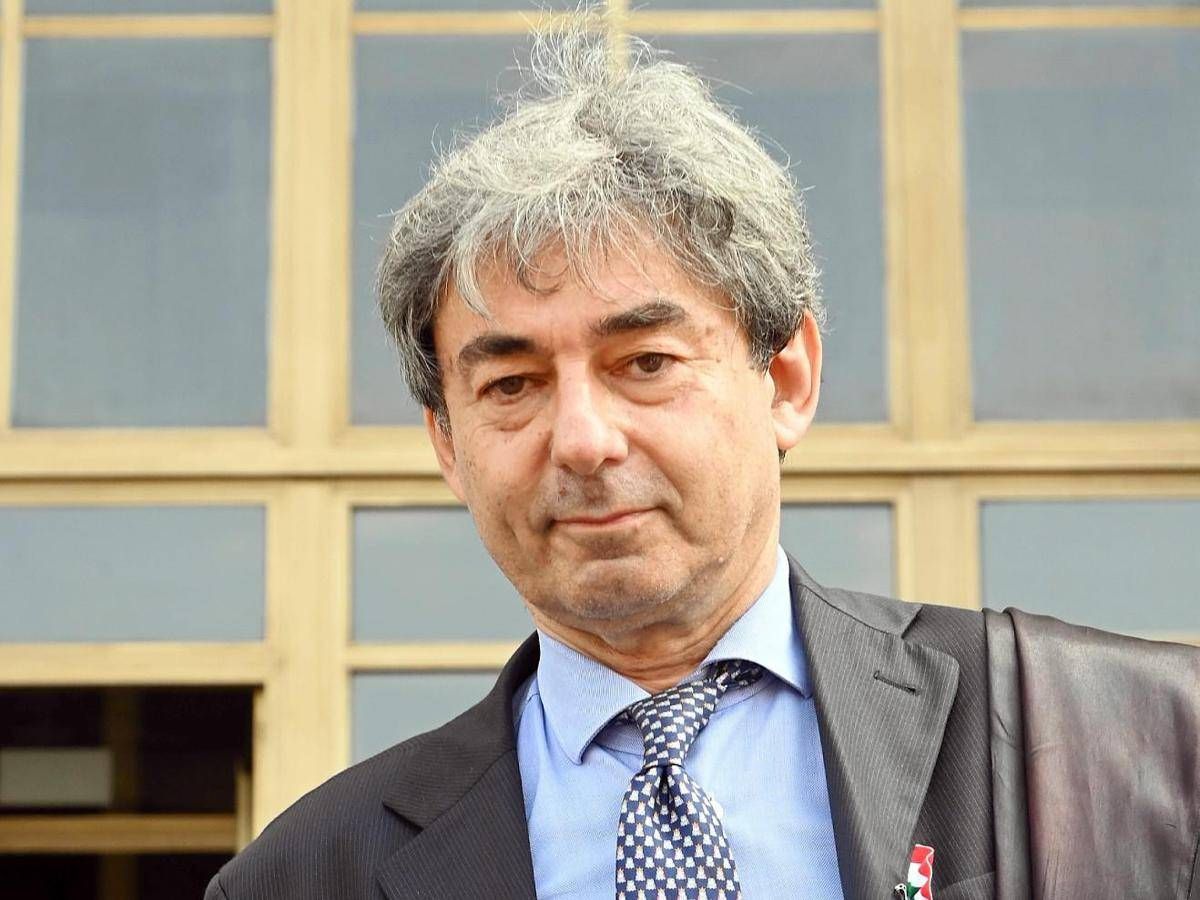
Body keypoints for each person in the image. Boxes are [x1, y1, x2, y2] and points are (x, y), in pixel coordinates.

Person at [206, 24, 1200, 900]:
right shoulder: (306, 876)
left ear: (787, 379)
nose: (583, 439)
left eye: (645, 363)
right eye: (511, 384)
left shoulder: (1118, 743)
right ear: (447, 444)